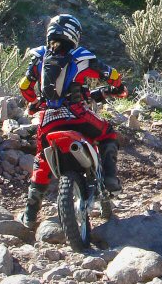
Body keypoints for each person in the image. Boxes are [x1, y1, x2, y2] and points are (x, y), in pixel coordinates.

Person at [17, 13, 126, 228]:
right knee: (108, 133)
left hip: (48, 120)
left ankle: (30, 215)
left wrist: (35, 102)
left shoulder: (38, 56)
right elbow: (111, 74)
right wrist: (118, 85)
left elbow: (24, 87)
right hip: (76, 115)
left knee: (41, 161)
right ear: (74, 33)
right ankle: (111, 178)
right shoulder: (81, 56)